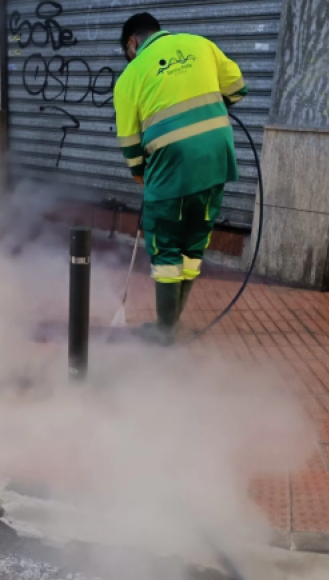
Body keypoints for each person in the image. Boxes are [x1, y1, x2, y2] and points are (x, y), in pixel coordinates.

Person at [114, 13, 248, 344]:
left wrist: (141, 175)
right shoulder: (200, 45)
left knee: (166, 250)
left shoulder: (130, 76)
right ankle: (172, 326)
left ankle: (164, 330)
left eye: (128, 51)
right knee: (193, 244)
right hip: (215, 163)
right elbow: (237, 89)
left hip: (170, 170)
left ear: (133, 43)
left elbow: (131, 146)